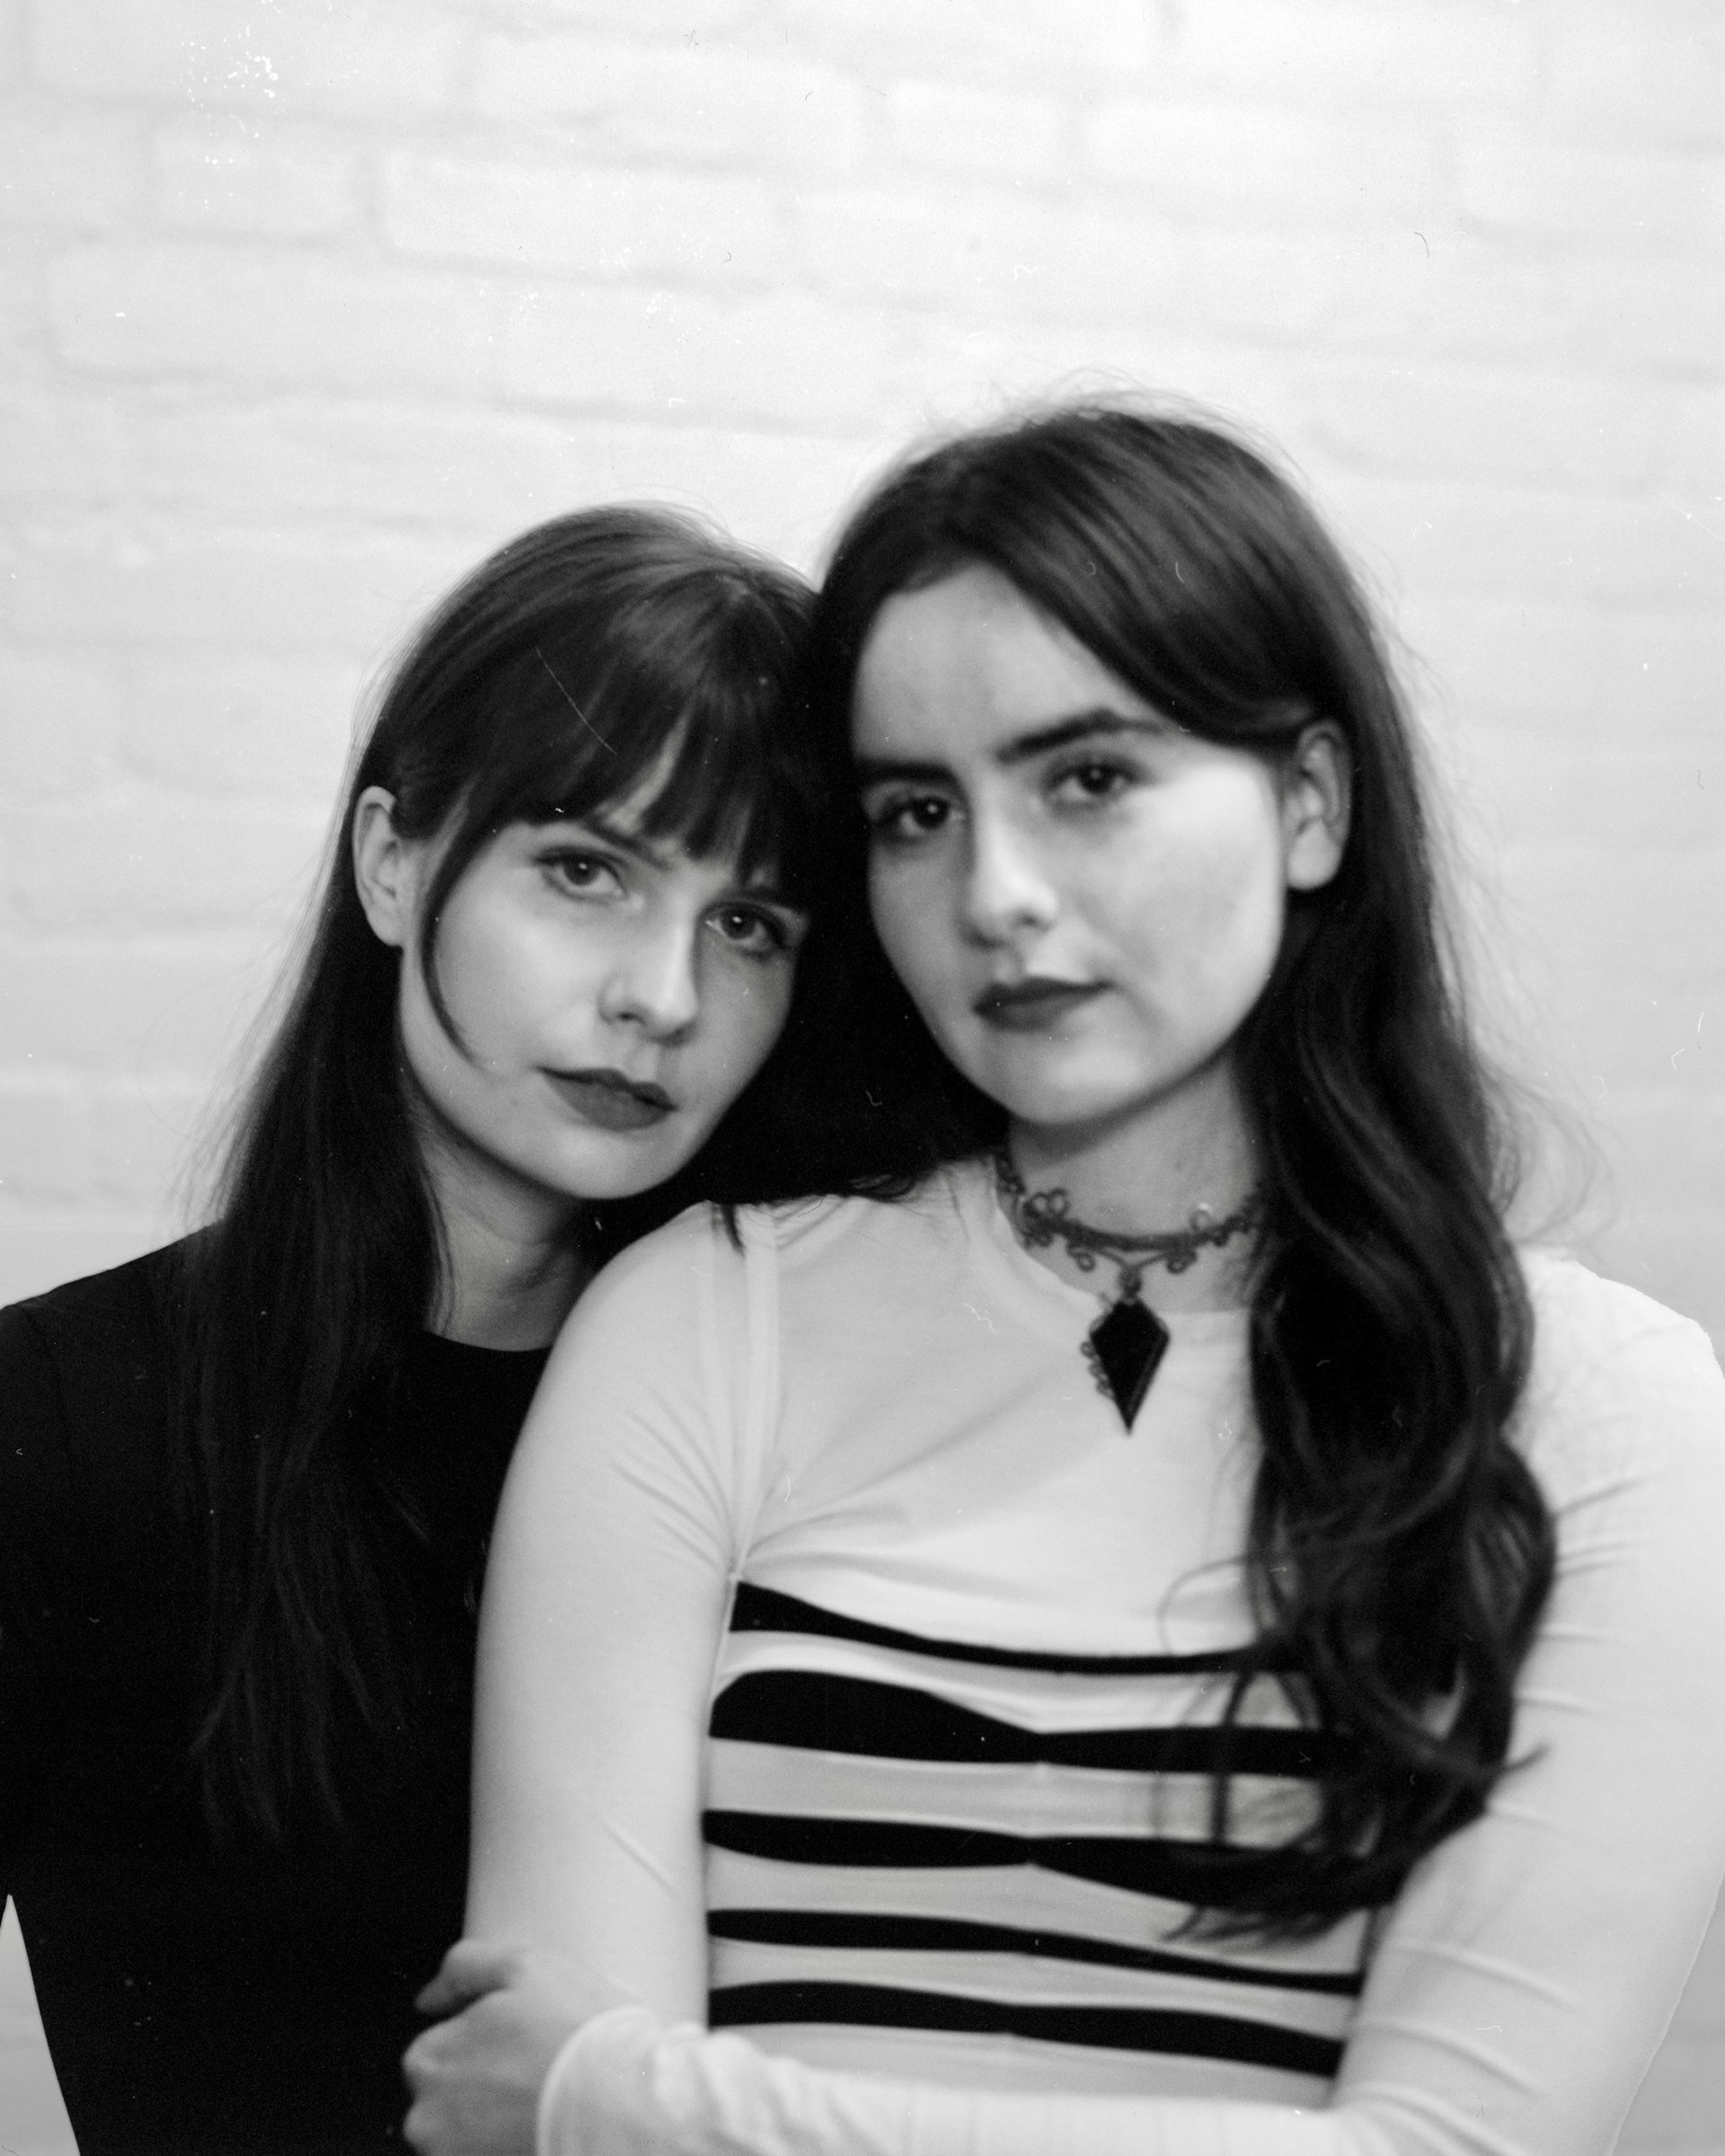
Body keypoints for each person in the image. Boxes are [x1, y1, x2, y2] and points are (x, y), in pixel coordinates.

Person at [403, 408, 1725, 2156]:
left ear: (1312, 802)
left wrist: (631, 2101)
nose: (996, 893)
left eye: (1088, 779)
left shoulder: (1606, 1411)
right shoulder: (708, 1319)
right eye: (917, 811)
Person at [0, 503, 916, 2155]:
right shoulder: (55, 1419)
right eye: (586, 870)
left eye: (748, 924)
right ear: (394, 859)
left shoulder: (798, 1427)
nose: (661, 996)